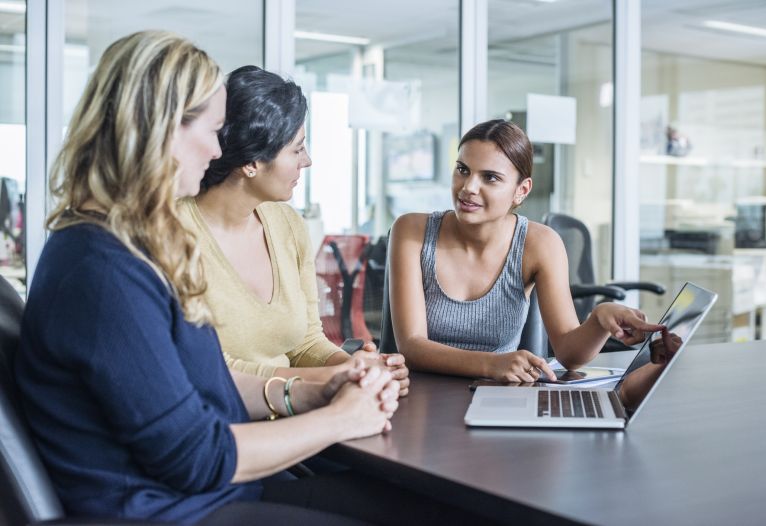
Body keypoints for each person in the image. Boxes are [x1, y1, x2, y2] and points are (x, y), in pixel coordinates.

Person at [14, 31, 400, 524]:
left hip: (219, 493)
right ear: (161, 130)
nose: (220, 152)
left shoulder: (135, 245)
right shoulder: (104, 270)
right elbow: (196, 458)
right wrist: (341, 418)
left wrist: (314, 390)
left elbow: (201, 385)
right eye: (214, 130)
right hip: (174, 511)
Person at [178, 66, 409, 395]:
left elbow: (306, 343)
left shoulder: (287, 224)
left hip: (297, 405)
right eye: (297, 149)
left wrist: (354, 366)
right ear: (252, 163)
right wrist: (330, 380)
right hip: (226, 418)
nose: (308, 160)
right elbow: (213, 368)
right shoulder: (173, 234)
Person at [388, 119, 662, 382]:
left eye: (490, 178)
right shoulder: (412, 231)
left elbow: (569, 354)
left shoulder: (540, 244)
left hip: (498, 397)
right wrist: (490, 364)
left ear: (521, 190)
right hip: (418, 396)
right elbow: (411, 347)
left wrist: (599, 320)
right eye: (463, 170)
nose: (468, 187)